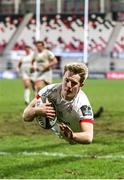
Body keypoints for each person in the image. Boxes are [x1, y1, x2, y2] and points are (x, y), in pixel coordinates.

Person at [23, 63, 94, 144]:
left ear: (81, 85)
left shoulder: (82, 105)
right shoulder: (48, 91)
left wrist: (72, 135)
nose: (68, 85)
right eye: (66, 80)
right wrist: (36, 111)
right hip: (57, 129)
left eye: (73, 83)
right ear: (62, 78)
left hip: (76, 136)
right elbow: (25, 116)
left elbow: (88, 137)